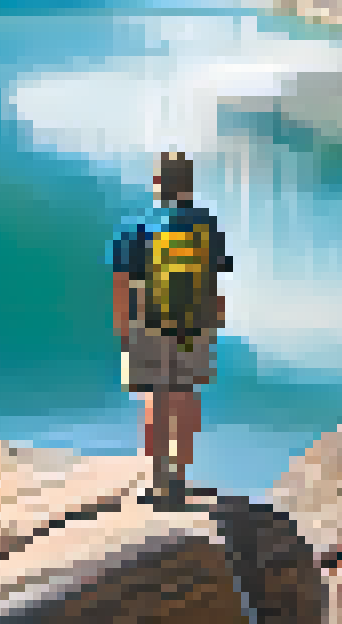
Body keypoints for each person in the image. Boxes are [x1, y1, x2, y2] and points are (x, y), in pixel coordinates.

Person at [112, 150, 231, 504]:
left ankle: (156, 477)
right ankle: (179, 474)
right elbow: (214, 278)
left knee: (155, 398)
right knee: (185, 397)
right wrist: (212, 322)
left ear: (158, 182)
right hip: (194, 322)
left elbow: (123, 281)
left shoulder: (139, 226)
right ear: (189, 183)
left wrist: (123, 327)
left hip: (149, 322)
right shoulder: (206, 225)